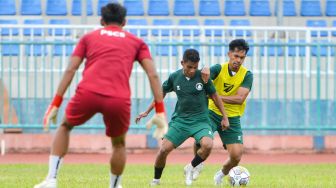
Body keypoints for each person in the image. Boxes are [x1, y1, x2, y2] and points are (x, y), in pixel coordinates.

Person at [34, 3, 167, 188]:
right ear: (124, 22)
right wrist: (160, 111)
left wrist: (55, 103)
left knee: (64, 126)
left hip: (88, 93)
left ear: (102, 21)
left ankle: (51, 180)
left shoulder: (89, 37)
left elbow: (71, 68)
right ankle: (114, 186)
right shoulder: (137, 42)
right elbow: (153, 74)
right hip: (118, 99)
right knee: (119, 144)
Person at [135, 49, 230, 186]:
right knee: (163, 150)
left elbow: (215, 97)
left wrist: (225, 117)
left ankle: (190, 167)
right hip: (181, 121)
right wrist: (147, 111)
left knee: (208, 145)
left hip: (201, 120)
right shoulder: (175, 77)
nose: (192, 70)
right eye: (189, 67)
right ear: (182, 63)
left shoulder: (203, 77)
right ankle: (156, 180)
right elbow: (161, 94)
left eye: (195, 67)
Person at [192, 39, 253, 185]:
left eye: (242, 57)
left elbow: (239, 99)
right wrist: (205, 68)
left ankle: (221, 174)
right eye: (236, 56)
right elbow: (202, 76)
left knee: (236, 156)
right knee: (200, 139)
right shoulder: (219, 69)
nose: (238, 60)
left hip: (232, 117)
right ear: (229, 54)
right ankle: (198, 163)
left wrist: (216, 96)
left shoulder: (247, 75)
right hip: (212, 112)